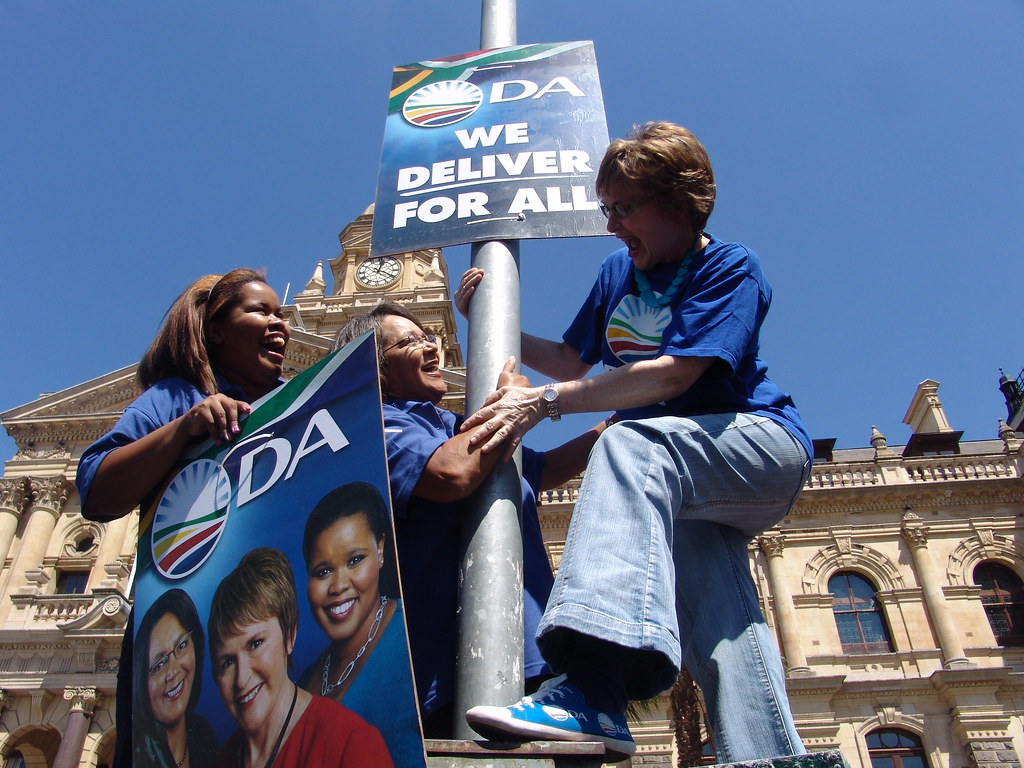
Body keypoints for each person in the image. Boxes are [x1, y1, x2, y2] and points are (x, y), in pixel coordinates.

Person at [458, 122, 814, 763]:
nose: (613, 223)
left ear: (680, 204)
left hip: (757, 450)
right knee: (719, 602)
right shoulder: (618, 271)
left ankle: (594, 686)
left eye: (625, 207)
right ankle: (768, 755)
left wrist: (545, 402)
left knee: (628, 442)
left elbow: (677, 373)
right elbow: (570, 360)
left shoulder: (730, 267)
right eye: (606, 209)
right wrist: (490, 320)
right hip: (683, 482)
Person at [332, 301, 606, 738]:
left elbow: (543, 470)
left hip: (533, 656)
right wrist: (507, 406)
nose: (430, 348)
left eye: (429, 338)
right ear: (374, 367)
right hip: (452, 669)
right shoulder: (372, 425)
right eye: (409, 342)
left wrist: (615, 423)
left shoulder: (452, 425)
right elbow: (451, 474)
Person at [77, 268, 291, 768]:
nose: (279, 323)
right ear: (215, 329)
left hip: (264, 635)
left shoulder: (304, 401)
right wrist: (186, 428)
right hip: (177, 633)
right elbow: (98, 489)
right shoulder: (178, 398)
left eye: (281, 313)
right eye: (261, 311)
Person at [208, 547, 392, 768]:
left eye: (256, 644)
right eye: (227, 662)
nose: (241, 678)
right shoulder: (224, 760)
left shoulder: (350, 744)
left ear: (289, 635)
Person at [298, 481, 422, 766]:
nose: (338, 585)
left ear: (380, 551)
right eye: (323, 571)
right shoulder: (302, 684)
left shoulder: (413, 638)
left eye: (355, 560)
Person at [135, 589, 218, 768]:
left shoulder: (203, 735)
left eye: (181, 646)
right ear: (140, 681)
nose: (173, 671)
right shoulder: (137, 753)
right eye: (158, 665)